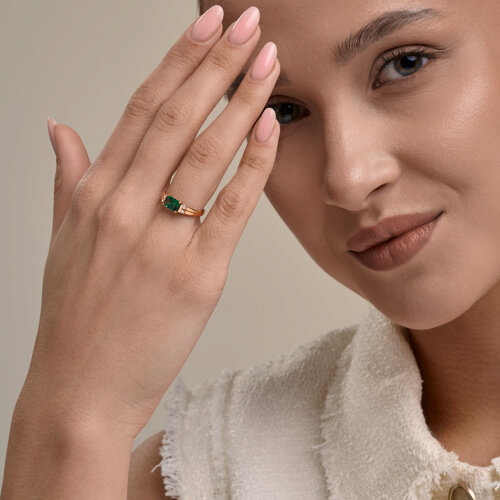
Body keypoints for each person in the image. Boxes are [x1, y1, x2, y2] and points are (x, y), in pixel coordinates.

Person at [2, 0, 500, 498]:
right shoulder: (197, 477)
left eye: (405, 64)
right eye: (283, 110)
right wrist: (76, 412)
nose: (347, 179)